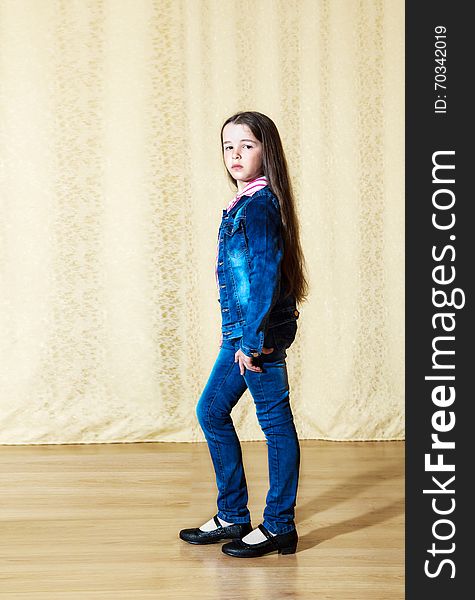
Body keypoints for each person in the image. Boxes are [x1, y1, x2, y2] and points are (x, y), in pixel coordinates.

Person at [179, 111, 309, 558]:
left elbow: (265, 273)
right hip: (238, 331)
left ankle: (279, 526)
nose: (235, 154)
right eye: (228, 146)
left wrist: (252, 339)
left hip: (257, 334)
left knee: (274, 424)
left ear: (266, 150)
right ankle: (233, 515)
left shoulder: (260, 205)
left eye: (247, 145)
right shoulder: (243, 202)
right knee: (211, 412)